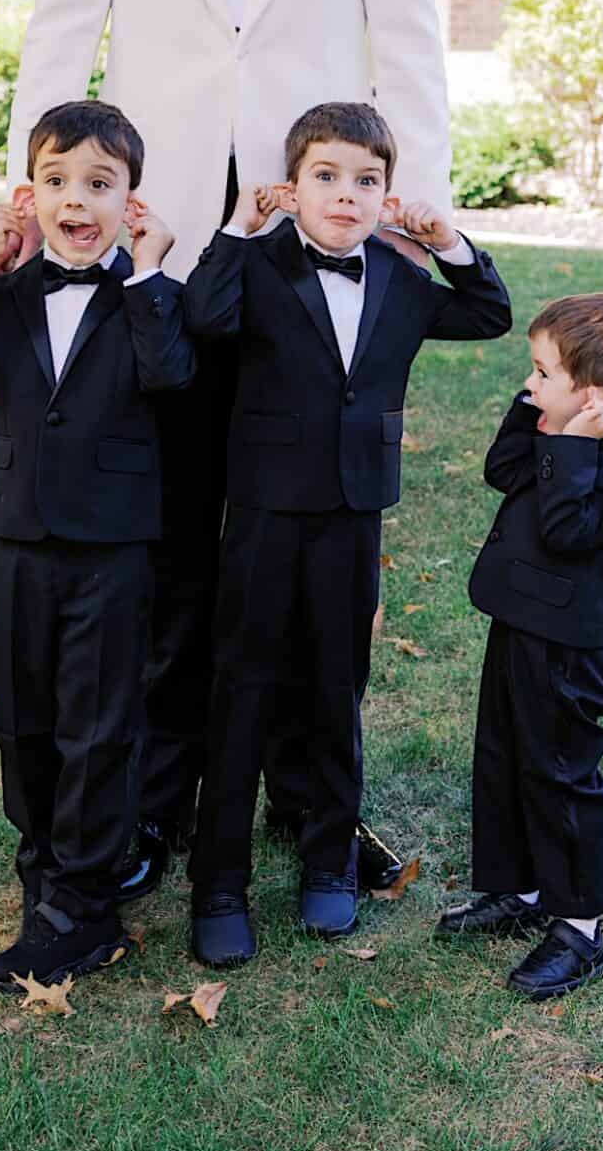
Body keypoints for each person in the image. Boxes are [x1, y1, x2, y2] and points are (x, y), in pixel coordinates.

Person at [2, 0, 455, 901]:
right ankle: (149, 810)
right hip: (157, 251)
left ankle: (315, 811)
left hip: (305, 257)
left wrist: (403, 209)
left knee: (306, 556)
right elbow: (59, 21)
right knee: (165, 553)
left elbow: (405, 36)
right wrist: (44, 199)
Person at [178, 102, 511, 966]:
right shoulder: (255, 266)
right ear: (293, 187)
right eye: (326, 176)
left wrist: (449, 243)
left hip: (353, 516)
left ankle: (329, 861)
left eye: (368, 181)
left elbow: (489, 315)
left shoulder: (400, 279)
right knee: (242, 689)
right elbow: (204, 320)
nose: (347, 194)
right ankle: (219, 883)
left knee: (336, 688)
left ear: (385, 194)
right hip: (260, 514)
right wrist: (239, 229)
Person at [0, 101, 196, 989]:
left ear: (132, 204)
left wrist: (151, 274)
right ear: (26, 195)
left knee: (97, 723)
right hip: (22, 539)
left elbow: (171, 378)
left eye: (100, 185)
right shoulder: (3, 294)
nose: (76, 201)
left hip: (114, 548)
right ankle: (43, 869)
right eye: (57, 182)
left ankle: (85, 903)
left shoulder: (154, 301)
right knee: (22, 716)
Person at [438, 293, 603, 1000]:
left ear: (594, 398)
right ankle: (523, 889)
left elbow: (570, 530)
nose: (529, 384)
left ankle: (578, 923)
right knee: (504, 757)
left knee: (559, 774)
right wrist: (538, 414)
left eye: (541, 373)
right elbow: (502, 470)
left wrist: (571, 446)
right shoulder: (555, 420)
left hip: (569, 648)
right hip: (518, 622)